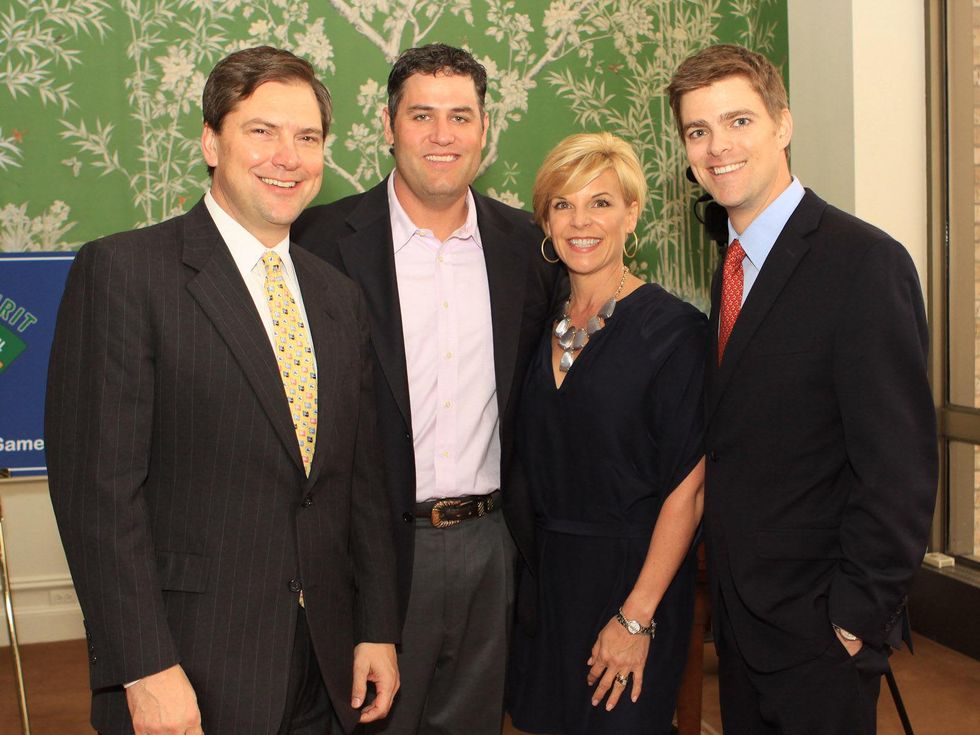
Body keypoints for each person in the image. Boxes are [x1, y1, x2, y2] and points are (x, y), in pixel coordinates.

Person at [45, 46, 400, 735]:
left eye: (307, 138)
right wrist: (143, 666)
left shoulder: (338, 297)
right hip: (189, 669)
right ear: (212, 143)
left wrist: (375, 627)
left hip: (324, 668)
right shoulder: (125, 273)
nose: (287, 157)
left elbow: (358, 481)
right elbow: (99, 496)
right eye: (262, 131)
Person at [667, 44, 938, 734]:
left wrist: (852, 619)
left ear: (782, 123)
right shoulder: (731, 262)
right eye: (698, 131)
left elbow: (899, 468)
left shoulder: (864, 263)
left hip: (820, 631)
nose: (718, 147)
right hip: (743, 621)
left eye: (739, 121)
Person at [291, 43, 558, 734]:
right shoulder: (317, 243)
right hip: (367, 550)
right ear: (388, 125)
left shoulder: (527, 248)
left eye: (460, 116)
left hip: (490, 548)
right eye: (422, 115)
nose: (443, 135)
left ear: (484, 129)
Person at [503, 133, 706, 735]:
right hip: (546, 586)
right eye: (563, 205)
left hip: (633, 583)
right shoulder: (535, 327)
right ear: (546, 221)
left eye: (601, 203)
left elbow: (689, 491)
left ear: (631, 214)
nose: (581, 221)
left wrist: (635, 617)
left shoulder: (675, 333)